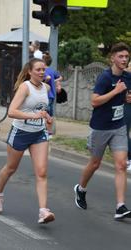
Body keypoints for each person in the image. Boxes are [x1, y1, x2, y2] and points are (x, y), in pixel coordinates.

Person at [0, 58, 55, 224]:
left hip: (39, 133)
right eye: (38, 70)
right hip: (20, 132)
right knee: (11, 168)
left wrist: (46, 117)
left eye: (44, 70)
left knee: (41, 172)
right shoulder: (25, 87)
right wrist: (33, 116)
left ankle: (43, 211)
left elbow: (40, 108)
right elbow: (12, 111)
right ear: (30, 72)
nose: (42, 72)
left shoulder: (46, 87)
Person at [74, 42, 131, 220]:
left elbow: (126, 96)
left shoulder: (128, 77)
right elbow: (95, 101)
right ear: (112, 58)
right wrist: (115, 92)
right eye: (120, 56)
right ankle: (80, 189)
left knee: (121, 165)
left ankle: (120, 207)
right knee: (95, 163)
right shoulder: (105, 78)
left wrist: (127, 97)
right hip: (100, 127)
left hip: (119, 126)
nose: (124, 59)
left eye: (126, 56)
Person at [42, 52, 63, 136]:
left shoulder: (44, 71)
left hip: (46, 95)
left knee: (45, 112)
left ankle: (47, 130)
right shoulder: (52, 70)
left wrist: (45, 82)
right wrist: (54, 82)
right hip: (52, 95)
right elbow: (60, 77)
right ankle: (49, 131)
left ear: (43, 62)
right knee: (50, 113)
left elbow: (48, 77)